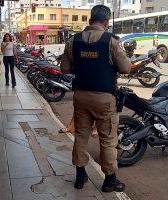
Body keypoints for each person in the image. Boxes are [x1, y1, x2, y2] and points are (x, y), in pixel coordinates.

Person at [60, 5, 131, 192]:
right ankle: (110, 181)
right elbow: (126, 68)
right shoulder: (111, 41)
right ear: (106, 22)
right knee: (108, 140)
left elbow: (65, 70)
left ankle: (80, 176)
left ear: (89, 20)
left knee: (81, 137)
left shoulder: (73, 41)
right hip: (105, 98)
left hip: (81, 97)